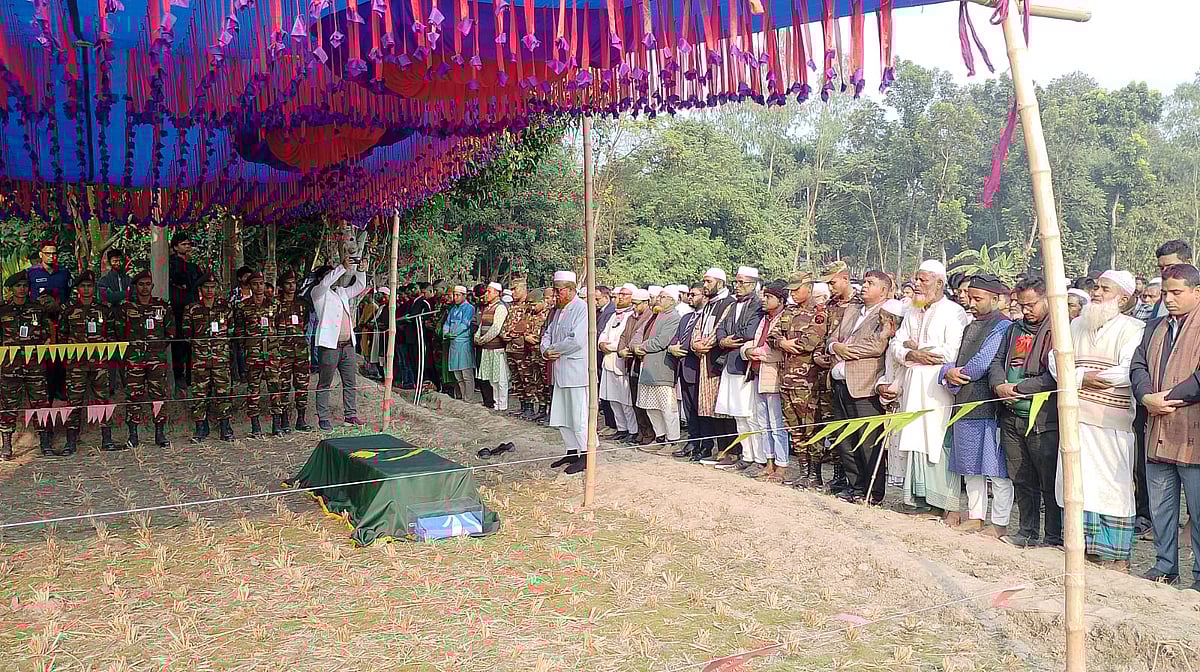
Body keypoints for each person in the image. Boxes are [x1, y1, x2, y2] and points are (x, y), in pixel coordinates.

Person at [1052, 270, 1144, 570]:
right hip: (1075, 418)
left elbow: (1128, 370)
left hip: (1111, 423)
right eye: (1096, 287)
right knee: (1077, 483)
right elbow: (1056, 361)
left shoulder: (1134, 329)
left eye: (1105, 289)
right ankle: (1084, 548)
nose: (1097, 293)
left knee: (1112, 487)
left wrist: (1083, 376)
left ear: (1123, 298)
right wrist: (1082, 376)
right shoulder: (1075, 325)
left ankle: (1116, 555)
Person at [1131, 263, 1200, 587]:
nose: (1169, 299)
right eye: (1165, 293)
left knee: (1198, 514)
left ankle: (1198, 575)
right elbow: (1138, 364)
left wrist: (1165, 397)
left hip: (1193, 432)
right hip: (1158, 430)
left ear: (1196, 292)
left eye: (1177, 292)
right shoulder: (1154, 326)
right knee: (1161, 508)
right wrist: (1146, 396)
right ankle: (1165, 566)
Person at [892, 260, 969, 519]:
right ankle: (917, 499)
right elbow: (896, 345)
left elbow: (951, 351)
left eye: (923, 279)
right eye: (917, 278)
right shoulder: (912, 310)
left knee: (934, 439)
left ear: (939, 283)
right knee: (914, 436)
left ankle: (940, 502)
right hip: (913, 382)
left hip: (938, 386)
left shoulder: (954, 311)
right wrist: (912, 352)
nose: (917, 284)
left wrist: (919, 350)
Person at [990, 276, 1062, 549]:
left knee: (1047, 479)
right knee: (1021, 476)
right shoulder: (1013, 329)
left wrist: (1019, 387)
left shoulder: (1058, 329)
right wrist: (999, 385)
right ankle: (1027, 530)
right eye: (1021, 305)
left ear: (1046, 299)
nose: (1026, 310)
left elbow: (1054, 376)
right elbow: (997, 361)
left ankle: (1053, 536)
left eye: (1031, 305)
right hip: (1010, 413)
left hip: (1042, 417)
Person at [940, 274, 1013, 537]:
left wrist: (955, 377)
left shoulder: (1003, 325)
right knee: (970, 466)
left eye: (977, 298)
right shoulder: (971, 325)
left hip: (989, 405)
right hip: (964, 403)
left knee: (997, 471)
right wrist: (947, 372)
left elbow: (983, 362)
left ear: (996, 299)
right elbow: (951, 357)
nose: (970, 302)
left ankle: (1000, 522)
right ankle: (975, 515)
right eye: (969, 296)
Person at [827, 270, 893, 503]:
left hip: (865, 386)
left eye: (870, 283)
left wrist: (845, 351)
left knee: (868, 442)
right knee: (846, 440)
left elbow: (877, 346)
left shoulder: (887, 313)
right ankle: (855, 487)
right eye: (864, 282)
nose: (864, 286)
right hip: (841, 383)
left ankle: (873, 492)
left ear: (883, 291)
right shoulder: (852, 310)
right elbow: (831, 339)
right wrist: (835, 347)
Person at [769, 271, 829, 487]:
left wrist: (786, 342)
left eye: (797, 289)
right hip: (786, 379)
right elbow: (772, 335)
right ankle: (804, 471)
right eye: (791, 290)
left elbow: (808, 343)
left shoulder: (819, 313)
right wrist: (782, 343)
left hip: (808, 382)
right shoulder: (789, 311)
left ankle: (815, 474)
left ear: (809, 287)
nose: (793, 293)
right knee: (794, 428)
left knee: (811, 427)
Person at [60, 272, 118, 454]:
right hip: (76, 364)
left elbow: (111, 334)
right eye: (83, 286)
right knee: (74, 401)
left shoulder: (104, 308)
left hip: (99, 363)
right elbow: (63, 336)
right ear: (77, 289)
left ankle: (107, 439)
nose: (86, 290)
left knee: (103, 401)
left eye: (89, 286)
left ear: (94, 288)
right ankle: (71, 441)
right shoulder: (68, 309)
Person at [714, 267, 765, 474]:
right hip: (730, 362)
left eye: (742, 282)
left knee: (750, 414)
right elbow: (721, 328)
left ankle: (759, 458)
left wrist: (729, 339)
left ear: (753, 284)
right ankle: (747, 455)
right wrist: (722, 340)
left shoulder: (757, 305)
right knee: (738, 415)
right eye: (736, 282)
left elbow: (750, 331)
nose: (738, 286)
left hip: (745, 366)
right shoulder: (734, 305)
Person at [0, 271, 53, 459]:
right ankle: (6, 445)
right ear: (11, 289)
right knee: (8, 404)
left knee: (40, 402)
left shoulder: (37, 309)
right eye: (18, 286)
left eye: (24, 286)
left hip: (34, 365)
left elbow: (46, 333)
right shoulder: (3, 309)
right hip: (10, 365)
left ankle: (45, 442)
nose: (22, 289)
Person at [542, 271, 590, 475]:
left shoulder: (582, 308)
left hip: (576, 370)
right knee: (562, 414)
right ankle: (572, 450)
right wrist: (545, 350)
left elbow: (576, 340)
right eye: (554, 290)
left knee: (579, 415)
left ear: (571, 290)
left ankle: (587, 455)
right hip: (560, 369)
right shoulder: (559, 310)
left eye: (558, 290)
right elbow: (547, 333)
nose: (556, 294)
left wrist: (553, 350)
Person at [312, 259, 369, 430]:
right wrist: (342, 267)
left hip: (347, 345)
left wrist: (361, 270)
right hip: (330, 345)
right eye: (329, 275)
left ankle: (350, 415)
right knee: (325, 383)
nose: (333, 278)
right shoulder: (318, 293)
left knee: (350, 382)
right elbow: (325, 282)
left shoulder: (341, 292)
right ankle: (323, 418)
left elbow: (359, 286)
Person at [120, 271, 175, 449]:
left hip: (156, 360)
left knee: (158, 396)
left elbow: (170, 332)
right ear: (135, 287)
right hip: (134, 359)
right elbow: (118, 332)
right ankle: (133, 434)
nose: (145, 287)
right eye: (141, 284)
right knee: (133, 396)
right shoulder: (126, 307)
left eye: (147, 284)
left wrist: (157, 349)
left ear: (152, 286)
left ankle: (159, 433)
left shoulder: (162, 306)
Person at [742, 280, 789, 482]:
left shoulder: (785, 319)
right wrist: (748, 351)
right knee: (763, 421)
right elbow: (753, 343)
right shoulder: (765, 319)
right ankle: (768, 461)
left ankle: (781, 466)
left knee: (776, 423)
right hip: (757, 372)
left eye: (768, 297)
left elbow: (779, 351)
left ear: (780, 300)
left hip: (773, 375)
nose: (764, 300)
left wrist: (755, 352)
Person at [692, 269, 737, 464]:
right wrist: (695, 344)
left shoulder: (729, 303)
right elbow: (697, 327)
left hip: (718, 362)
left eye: (708, 281)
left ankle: (731, 450)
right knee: (710, 409)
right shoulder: (709, 304)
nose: (705, 285)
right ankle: (721, 450)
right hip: (704, 360)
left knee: (724, 409)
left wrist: (705, 344)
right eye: (704, 281)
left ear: (720, 282)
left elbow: (720, 327)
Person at [183, 273, 235, 443]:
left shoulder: (225, 308)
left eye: (212, 287)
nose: (210, 291)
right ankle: (200, 428)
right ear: (200, 289)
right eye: (206, 287)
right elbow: (186, 334)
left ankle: (225, 427)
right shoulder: (192, 309)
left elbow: (232, 331)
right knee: (199, 394)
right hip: (200, 359)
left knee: (224, 393)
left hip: (221, 359)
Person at [634, 287, 683, 451]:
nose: (659, 299)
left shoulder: (674, 318)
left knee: (667, 407)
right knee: (650, 406)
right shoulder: (657, 315)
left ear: (672, 300)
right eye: (659, 296)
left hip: (663, 368)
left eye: (663, 297)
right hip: (648, 367)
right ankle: (660, 438)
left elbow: (662, 341)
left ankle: (673, 441)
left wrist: (643, 346)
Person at [270, 270, 313, 432]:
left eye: (294, 283)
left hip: (300, 351)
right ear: (281, 286)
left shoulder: (302, 304)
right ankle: (284, 419)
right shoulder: (275, 305)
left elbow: (306, 324)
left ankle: (301, 419)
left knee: (302, 385)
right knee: (283, 386)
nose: (291, 286)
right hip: (282, 352)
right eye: (288, 283)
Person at [668, 283, 706, 459]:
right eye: (689, 294)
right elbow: (676, 337)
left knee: (700, 409)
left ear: (704, 296)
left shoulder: (706, 317)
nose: (690, 297)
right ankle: (692, 441)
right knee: (689, 408)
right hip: (682, 367)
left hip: (697, 366)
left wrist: (683, 348)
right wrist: (671, 348)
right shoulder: (686, 317)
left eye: (694, 294)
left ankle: (704, 445)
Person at [599, 285, 638, 442]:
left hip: (620, 362)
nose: (620, 297)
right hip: (608, 361)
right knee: (613, 399)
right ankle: (621, 428)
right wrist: (602, 344)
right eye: (618, 295)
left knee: (625, 400)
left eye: (624, 295)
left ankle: (632, 430)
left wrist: (609, 346)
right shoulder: (613, 316)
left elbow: (625, 339)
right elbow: (603, 334)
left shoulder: (631, 316)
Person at [168, 234, 202, 391]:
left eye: (189, 244)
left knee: (192, 342)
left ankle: (190, 374)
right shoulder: (172, 264)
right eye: (183, 244)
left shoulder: (193, 266)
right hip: (178, 308)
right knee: (178, 342)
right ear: (175, 247)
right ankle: (178, 375)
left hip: (194, 308)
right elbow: (183, 281)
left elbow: (198, 282)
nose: (187, 246)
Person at [500, 277, 537, 419]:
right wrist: (508, 334)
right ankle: (522, 406)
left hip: (523, 350)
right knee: (516, 380)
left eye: (515, 289)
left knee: (527, 379)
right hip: (511, 348)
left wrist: (513, 334)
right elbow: (506, 329)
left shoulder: (529, 308)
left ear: (523, 289)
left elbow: (524, 329)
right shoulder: (513, 307)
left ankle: (530, 407)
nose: (513, 292)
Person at [474, 282, 510, 411]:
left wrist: (483, 340)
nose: (486, 294)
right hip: (486, 348)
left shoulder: (500, 308)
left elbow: (496, 328)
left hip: (497, 349)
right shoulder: (487, 308)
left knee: (500, 378)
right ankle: (496, 404)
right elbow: (481, 325)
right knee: (491, 379)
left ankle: (503, 405)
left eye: (489, 291)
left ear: (497, 293)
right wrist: (477, 337)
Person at [442, 285, 477, 401]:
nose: (455, 297)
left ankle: (469, 399)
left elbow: (465, 324)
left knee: (466, 373)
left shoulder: (469, 308)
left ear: (464, 296)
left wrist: (453, 333)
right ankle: (463, 397)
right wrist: (446, 333)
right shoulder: (453, 309)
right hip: (453, 344)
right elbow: (446, 323)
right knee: (457, 374)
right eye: (454, 295)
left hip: (464, 344)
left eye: (457, 295)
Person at [1152, 240, 1192, 319]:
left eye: (1171, 266)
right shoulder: (1160, 303)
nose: (1165, 271)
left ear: (1188, 263)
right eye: (1161, 268)